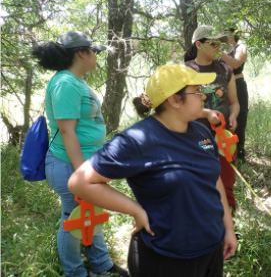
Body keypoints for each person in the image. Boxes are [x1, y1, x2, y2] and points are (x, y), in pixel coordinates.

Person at [67, 64, 238, 277]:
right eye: (198, 91)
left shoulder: (201, 132)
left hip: (211, 248)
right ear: (175, 100)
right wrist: (135, 210)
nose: (204, 97)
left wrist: (228, 229)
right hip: (165, 256)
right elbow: (80, 182)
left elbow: (214, 181)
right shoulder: (136, 140)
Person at [32, 31, 129, 277]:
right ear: (81, 53)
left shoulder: (76, 80)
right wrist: (82, 174)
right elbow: (66, 131)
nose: (96, 56)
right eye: (93, 51)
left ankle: (102, 265)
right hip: (69, 165)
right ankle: (74, 272)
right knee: (72, 219)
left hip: (82, 164)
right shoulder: (65, 83)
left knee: (90, 213)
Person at [184, 25, 240, 213]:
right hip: (193, 138)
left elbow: (234, 102)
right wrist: (206, 113)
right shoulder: (185, 71)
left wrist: (233, 116)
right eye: (213, 43)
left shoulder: (225, 70)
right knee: (197, 184)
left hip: (223, 139)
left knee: (226, 183)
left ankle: (229, 228)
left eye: (220, 43)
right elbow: (179, 108)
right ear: (199, 44)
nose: (218, 47)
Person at [219, 28, 248, 161]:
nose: (224, 34)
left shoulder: (240, 47)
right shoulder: (220, 48)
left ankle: (239, 152)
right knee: (224, 118)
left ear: (233, 34)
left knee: (240, 118)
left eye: (227, 32)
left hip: (238, 85)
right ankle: (224, 152)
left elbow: (235, 64)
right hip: (222, 87)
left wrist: (219, 51)